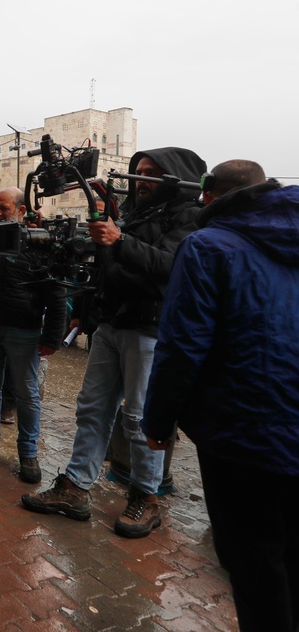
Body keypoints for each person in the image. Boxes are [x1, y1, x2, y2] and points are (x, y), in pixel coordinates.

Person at [141, 160, 298, 632]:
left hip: (243, 429)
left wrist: (157, 422)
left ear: (209, 194)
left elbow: (183, 345)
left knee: (254, 564)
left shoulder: (207, 246)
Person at [22, 146, 206, 538]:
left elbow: (170, 267)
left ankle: (146, 496)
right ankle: (75, 486)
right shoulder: (137, 213)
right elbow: (113, 262)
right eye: (138, 171)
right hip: (113, 323)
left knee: (140, 418)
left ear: (172, 177)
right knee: (92, 408)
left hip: (149, 330)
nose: (141, 180)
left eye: (151, 173)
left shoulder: (191, 218)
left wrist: (119, 241)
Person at [0, 188, 66, 483]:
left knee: (26, 393)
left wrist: (53, 335)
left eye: (3, 208)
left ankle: (27, 453)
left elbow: (56, 291)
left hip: (24, 328)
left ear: (20, 210)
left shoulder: (39, 240)